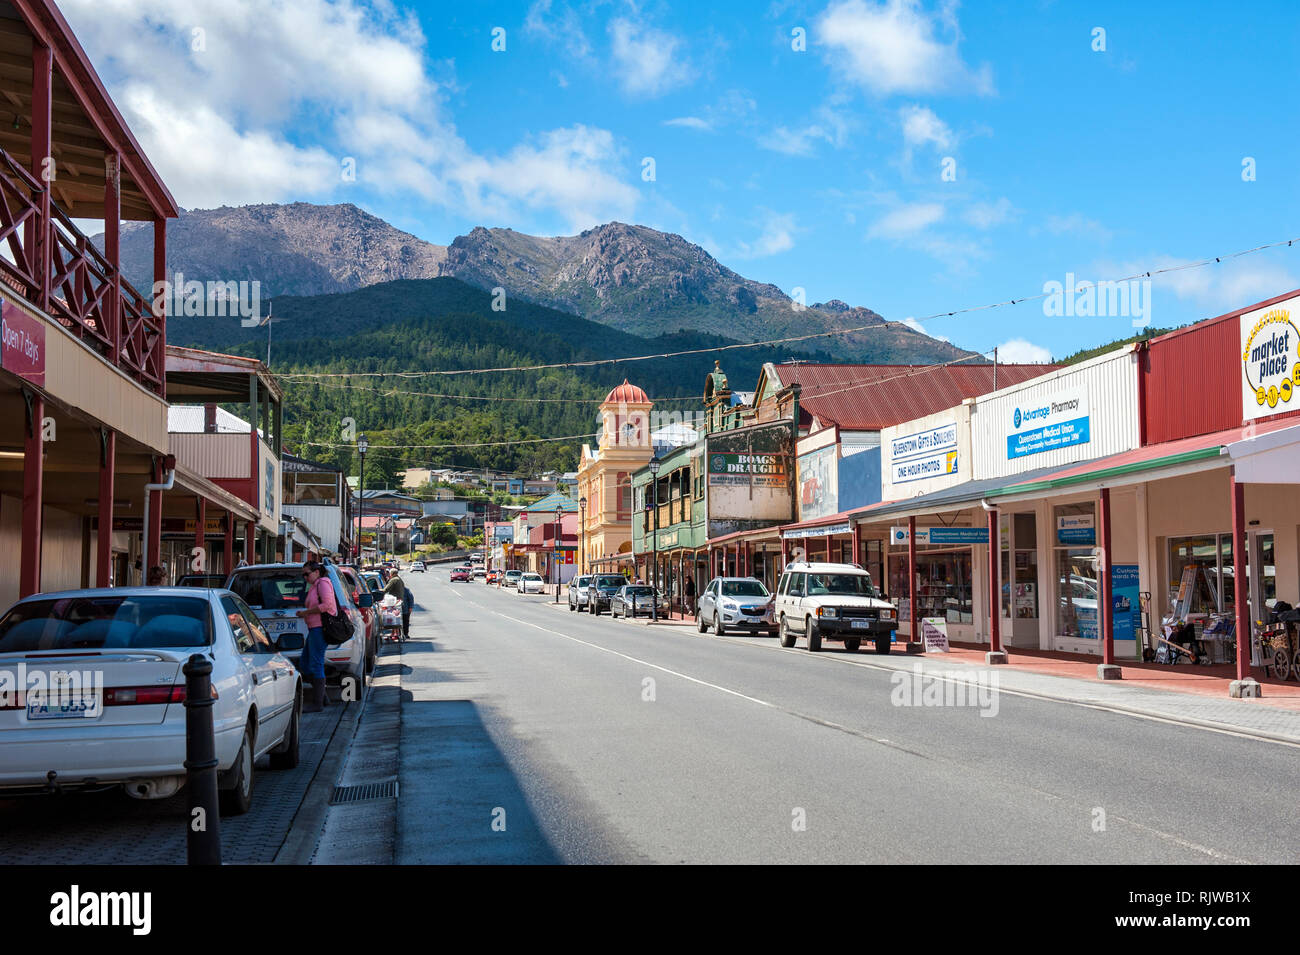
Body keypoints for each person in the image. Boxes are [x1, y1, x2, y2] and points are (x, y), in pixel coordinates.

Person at [296, 560, 336, 712]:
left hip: (320, 629)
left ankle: (318, 703)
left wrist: (305, 613)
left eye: (307, 574)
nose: (305, 577)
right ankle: (323, 698)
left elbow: (327, 605)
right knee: (305, 664)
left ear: (317, 572)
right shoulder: (314, 585)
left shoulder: (323, 583)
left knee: (316, 663)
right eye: (303, 575)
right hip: (314, 629)